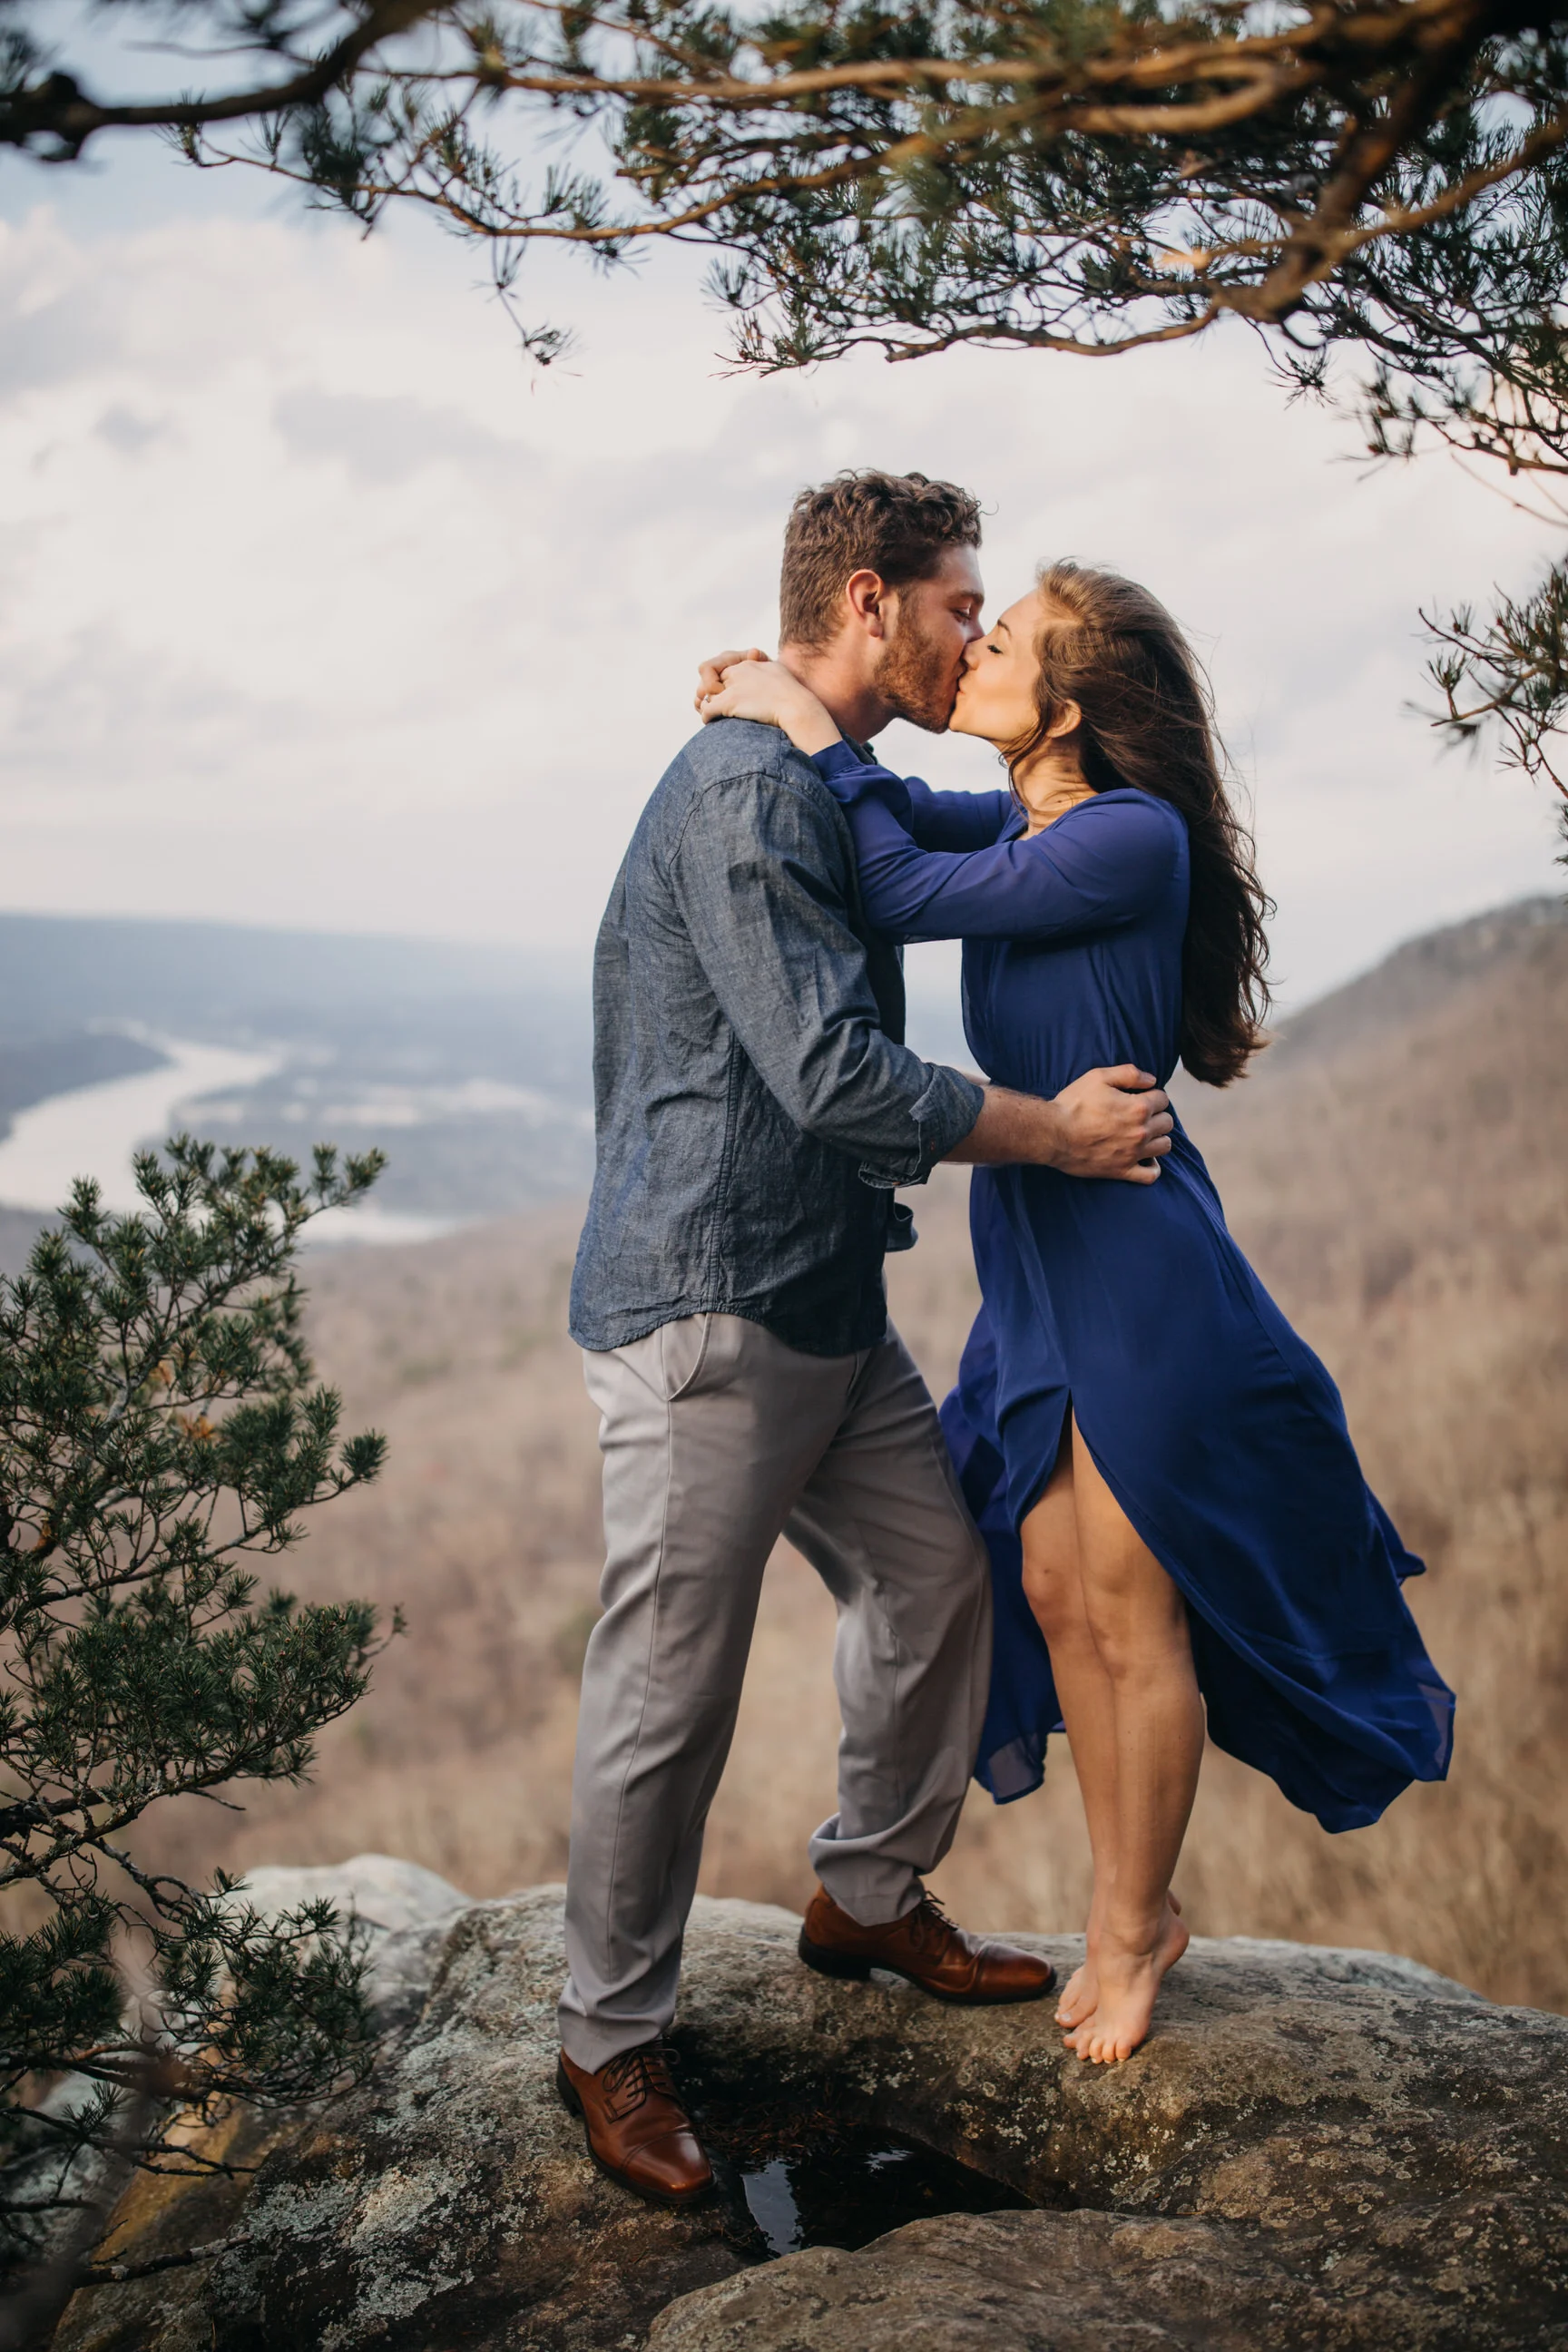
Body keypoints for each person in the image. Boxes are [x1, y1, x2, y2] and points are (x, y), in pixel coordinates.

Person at [698, 558, 1455, 2068]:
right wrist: (807, 727)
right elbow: (900, 841)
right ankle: (1132, 1913)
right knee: (1056, 1596)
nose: (973, 648)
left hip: (1134, 1265)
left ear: (1071, 704)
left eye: (1010, 639)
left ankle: (1131, 1927)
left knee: (1131, 1611)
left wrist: (799, 713)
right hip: (1037, 1257)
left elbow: (898, 885)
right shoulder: (1036, 816)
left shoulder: (1126, 833)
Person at [560, 478, 1175, 2207]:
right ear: (866, 599)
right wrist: (1053, 1132)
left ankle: (869, 1898)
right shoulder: (749, 794)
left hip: (825, 1301)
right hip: (706, 1312)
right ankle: (608, 2039)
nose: (972, 632)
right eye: (956, 602)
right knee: (668, 1695)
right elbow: (837, 1077)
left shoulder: (816, 771)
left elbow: (932, 845)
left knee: (940, 1579)